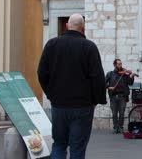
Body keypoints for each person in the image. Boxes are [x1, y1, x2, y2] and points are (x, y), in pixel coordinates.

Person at [37, 14, 106, 158]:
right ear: (83, 28)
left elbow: (42, 73)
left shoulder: (52, 44)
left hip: (59, 105)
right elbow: (98, 77)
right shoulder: (89, 47)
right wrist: (96, 100)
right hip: (82, 106)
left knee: (59, 144)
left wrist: (51, 94)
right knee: (78, 148)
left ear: (67, 26)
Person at [105, 59, 135, 133]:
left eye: (121, 64)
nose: (121, 65)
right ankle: (115, 127)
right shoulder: (110, 74)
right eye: (119, 64)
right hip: (113, 96)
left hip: (122, 96)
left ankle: (121, 127)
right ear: (115, 65)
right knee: (114, 113)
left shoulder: (124, 74)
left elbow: (130, 83)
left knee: (121, 113)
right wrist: (109, 87)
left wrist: (132, 76)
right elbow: (103, 84)